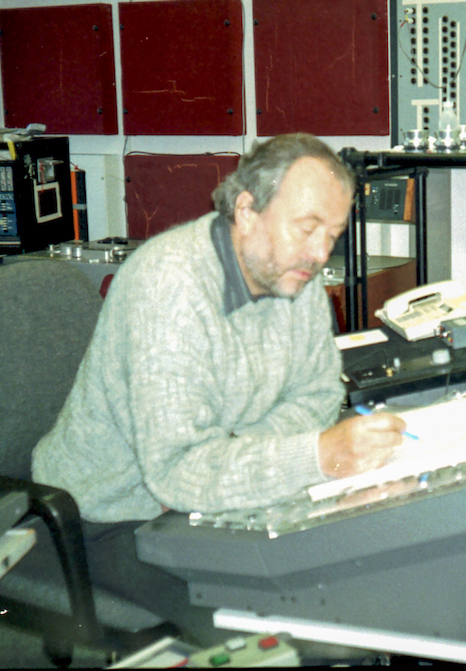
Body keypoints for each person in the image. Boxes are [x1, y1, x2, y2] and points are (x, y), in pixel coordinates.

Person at [30, 133, 405, 645]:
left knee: (359, 578)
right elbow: (178, 473)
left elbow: (317, 396)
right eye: (308, 228)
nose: (320, 253)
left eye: (333, 234)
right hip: (113, 514)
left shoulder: (294, 272)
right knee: (288, 631)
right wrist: (313, 456)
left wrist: (244, 455)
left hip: (209, 498)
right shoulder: (170, 287)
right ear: (247, 211)